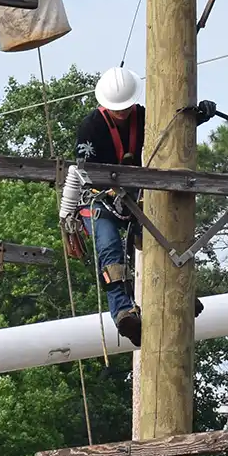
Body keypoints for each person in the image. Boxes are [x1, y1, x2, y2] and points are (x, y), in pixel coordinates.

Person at [61, 67, 147, 344]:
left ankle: (176, 293)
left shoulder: (145, 118)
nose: (121, 113)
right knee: (109, 249)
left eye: (125, 107)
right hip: (99, 199)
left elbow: (172, 131)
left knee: (158, 239)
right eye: (116, 108)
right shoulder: (91, 127)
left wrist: (197, 116)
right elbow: (81, 172)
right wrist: (68, 214)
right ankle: (123, 313)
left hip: (136, 196)